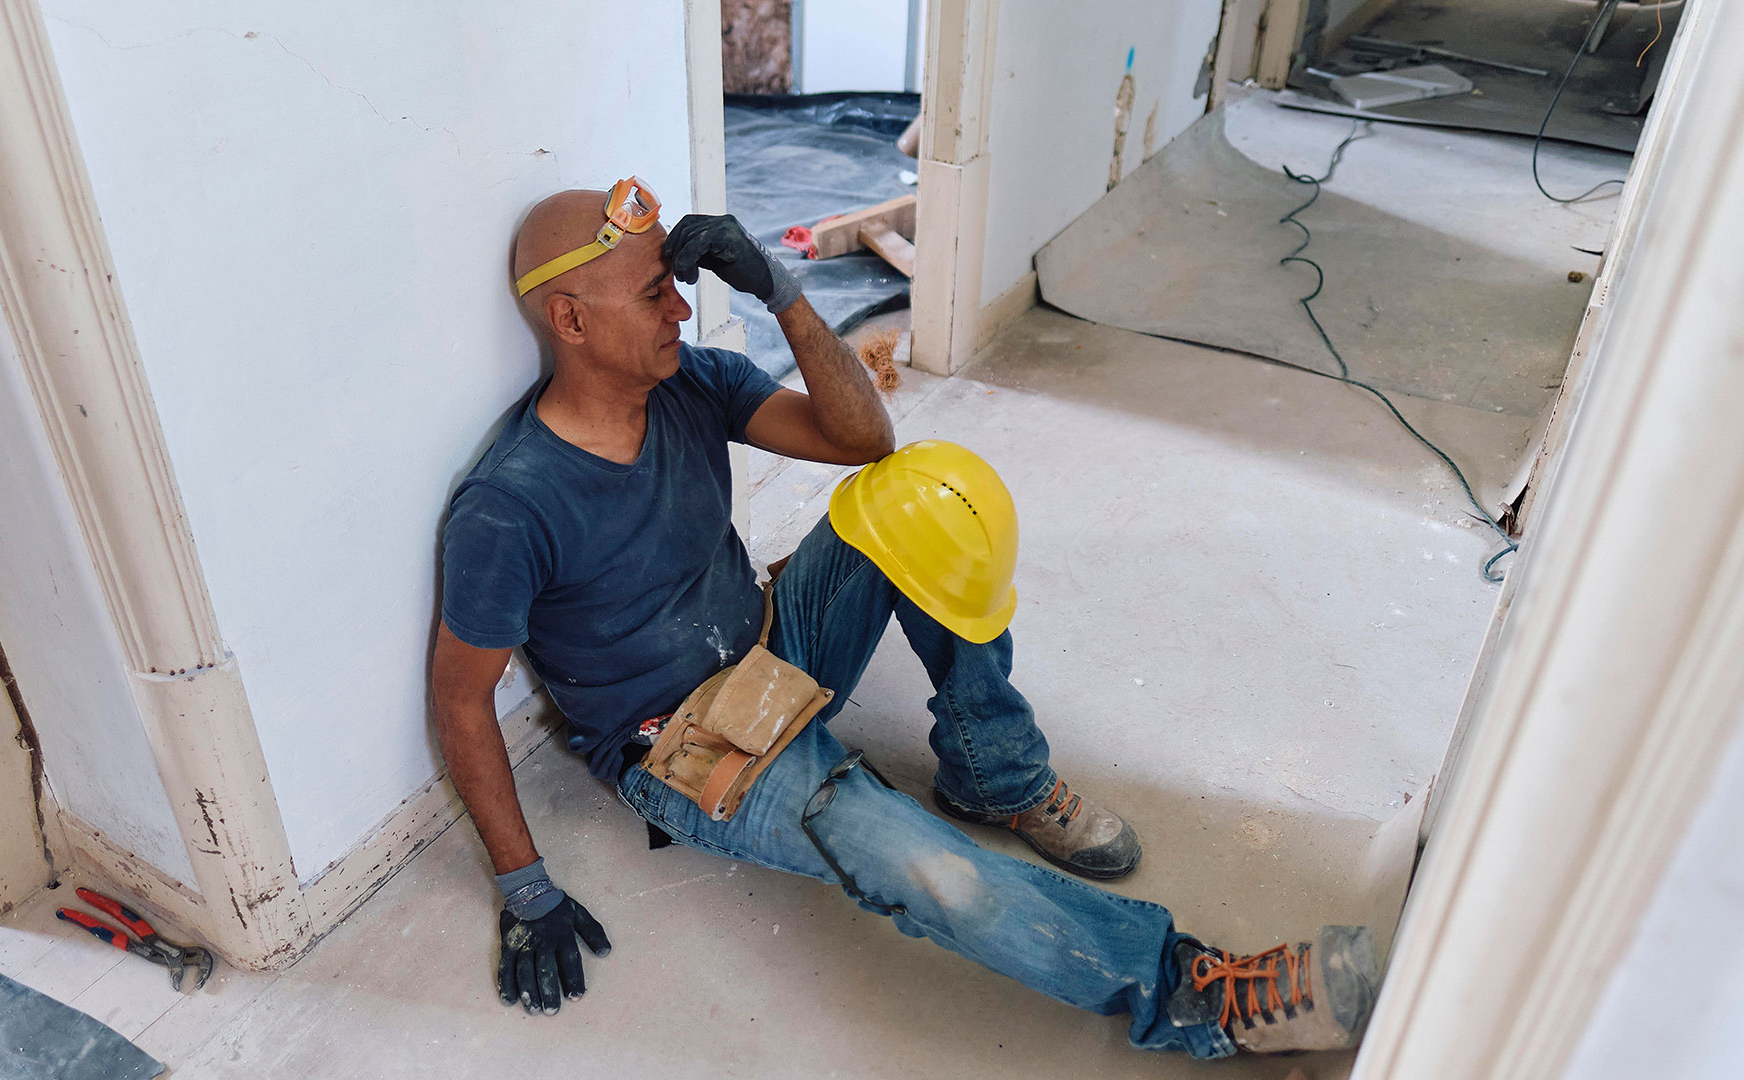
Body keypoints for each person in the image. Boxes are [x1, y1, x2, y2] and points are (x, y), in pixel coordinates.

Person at [431, 178, 1379, 1059]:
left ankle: (995, 775)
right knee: (924, 866)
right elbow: (462, 702)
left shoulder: (689, 384)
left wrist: (779, 290)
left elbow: (862, 439)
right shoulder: (511, 508)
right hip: (684, 742)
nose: (680, 309)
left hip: (772, 639)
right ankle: (1189, 995)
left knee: (923, 494)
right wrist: (524, 886)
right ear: (570, 319)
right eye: (652, 295)